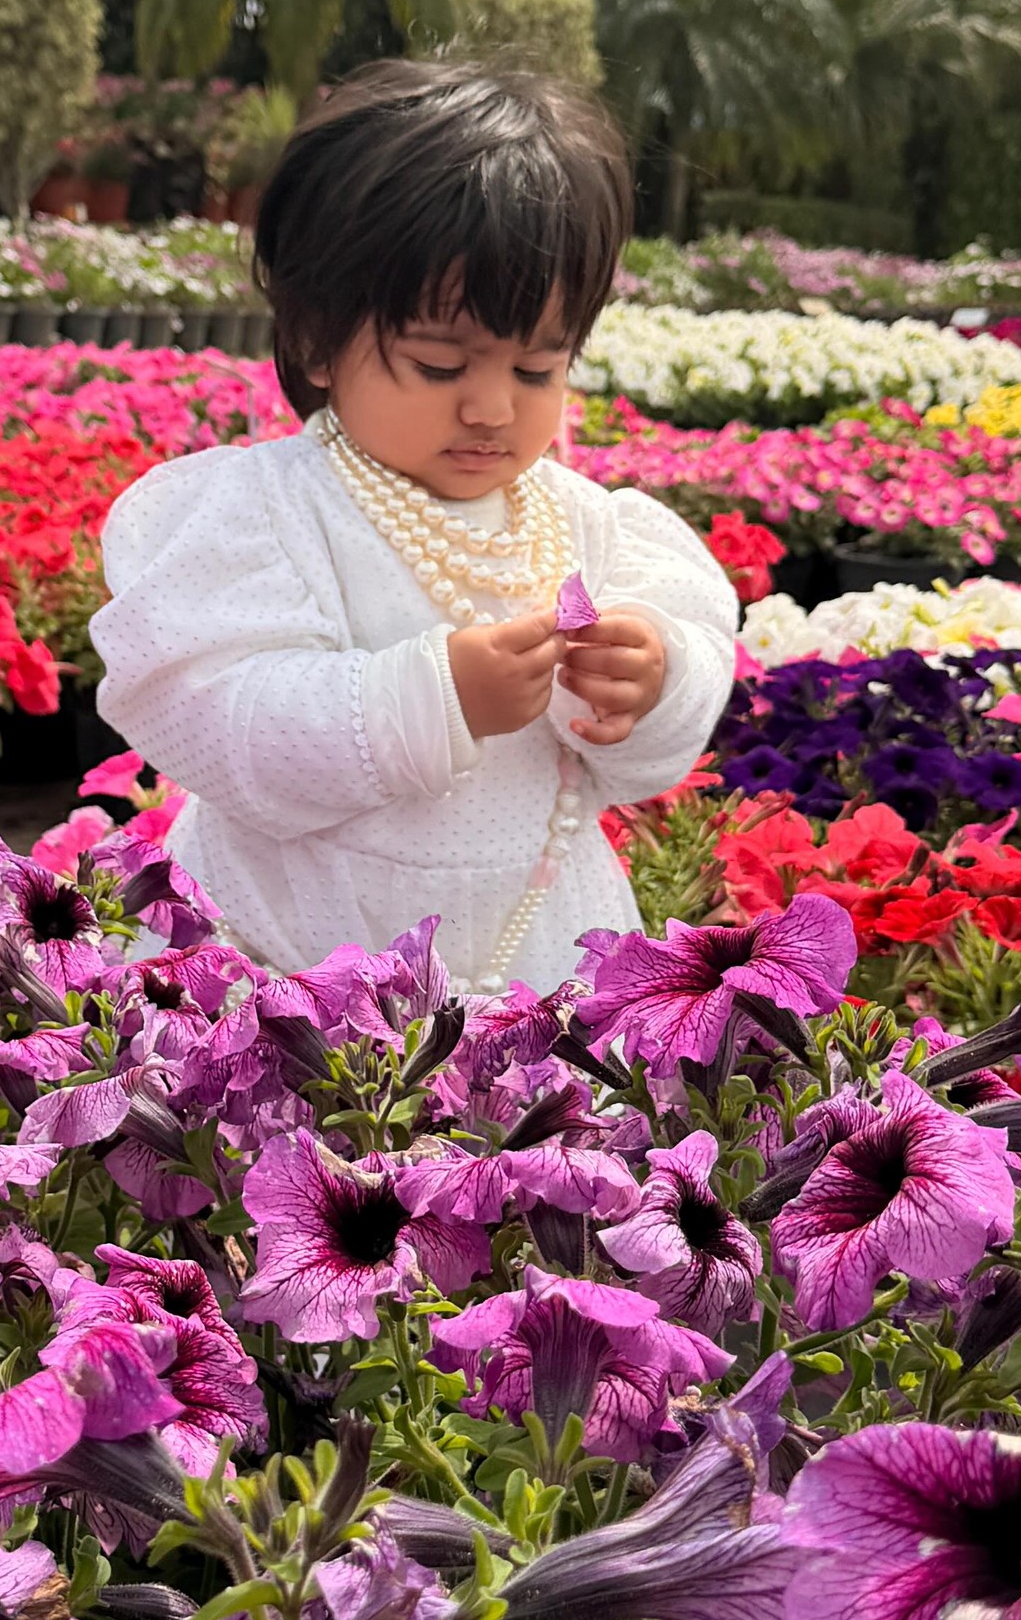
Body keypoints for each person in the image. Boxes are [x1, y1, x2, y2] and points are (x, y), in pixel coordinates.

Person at [90, 58, 739, 992]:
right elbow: (215, 724)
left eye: (536, 370)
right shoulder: (268, 513)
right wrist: (429, 700)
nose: (490, 409)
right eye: (440, 366)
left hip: (538, 949)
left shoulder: (589, 527)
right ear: (316, 339)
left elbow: (655, 746)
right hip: (286, 959)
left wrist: (652, 681)